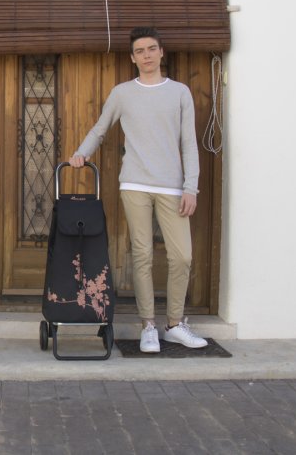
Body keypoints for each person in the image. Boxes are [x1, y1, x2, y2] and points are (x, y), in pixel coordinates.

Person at [68, 27, 207, 353]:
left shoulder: (180, 93)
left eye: (152, 49)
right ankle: (148, 327)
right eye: (140, 51)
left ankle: (174, 325)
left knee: (182, 256)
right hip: (134, 184)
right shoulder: (123, 93)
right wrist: (81, 153)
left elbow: (189, 143)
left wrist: (191, 187)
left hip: (173, 187)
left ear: (161, 52)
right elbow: (101, 128)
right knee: (142, 255)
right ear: (133, 58)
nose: (147, 55)